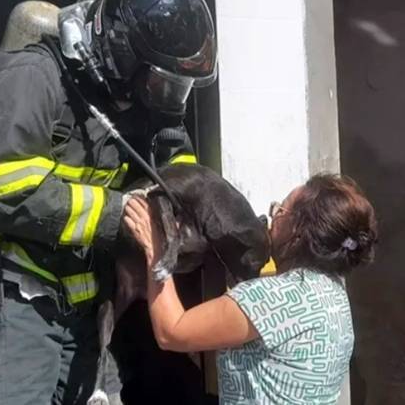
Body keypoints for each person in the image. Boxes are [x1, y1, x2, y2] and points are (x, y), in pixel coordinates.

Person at [0, 0, 217, 405]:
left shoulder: (126, 100)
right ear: (122, 53)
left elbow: (175, 170)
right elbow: (1, 191)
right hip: (14, 304)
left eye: (176, 87)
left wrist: (187, 202)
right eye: (162, 82)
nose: (168, 98)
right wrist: (121, 213)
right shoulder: (27, 79)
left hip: (84, 310)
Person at [123, 173, 378, 404]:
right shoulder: (334, 297)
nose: (270, 218)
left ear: (297, 234)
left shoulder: (276, 298)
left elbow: (172, 332)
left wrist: (156, 248)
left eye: (280, 211)